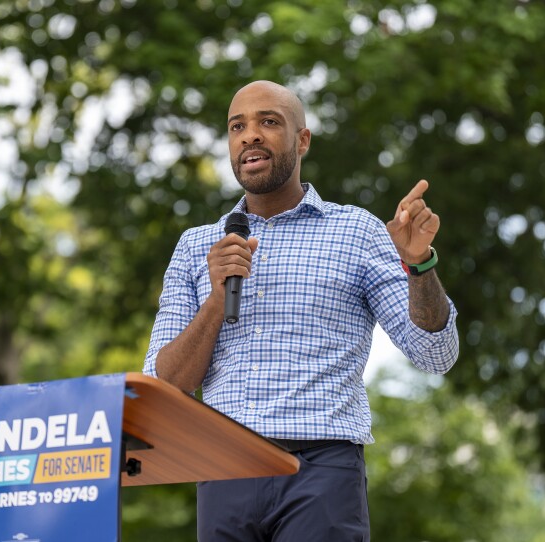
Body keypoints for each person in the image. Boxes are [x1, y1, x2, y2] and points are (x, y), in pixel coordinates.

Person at [143, 80, 459, 541]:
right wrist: (216, 298)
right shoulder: (197, 247)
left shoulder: (357, 232)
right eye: (237, 127)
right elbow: (164, 387)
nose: (250, 135)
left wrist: (419, 265)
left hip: (321, 473)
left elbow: (437, 353)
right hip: (223, 471)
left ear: (302, 140)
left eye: (269, 122)